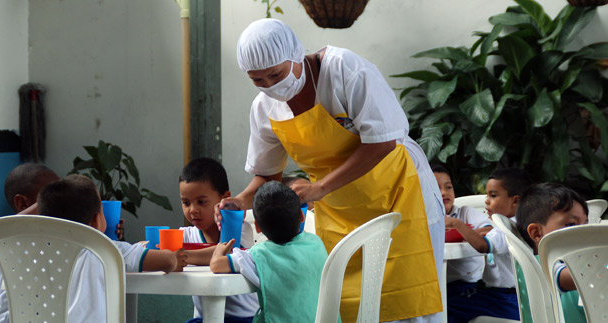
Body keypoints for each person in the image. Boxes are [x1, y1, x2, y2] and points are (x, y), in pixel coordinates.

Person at [217, 18, 445, 322]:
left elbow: (382, 142)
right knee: (347, 307)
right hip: (340, 215)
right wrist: (241, 201)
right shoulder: (264, 109)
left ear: (296, 53)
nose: (271, 85)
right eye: (259, 80)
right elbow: (267, 175)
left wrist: (321, 187)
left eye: (276, 74)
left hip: (401, 197)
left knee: (413, 304)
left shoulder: (344, 70)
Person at [0, 174, 187, 323]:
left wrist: (50, 201)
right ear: (95, 221)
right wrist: (175, 258)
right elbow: (168, 261)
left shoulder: (9, 249)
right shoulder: (104, 249)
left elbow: (3, 227)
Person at [211, 181, 328, 322]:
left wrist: (219, 250)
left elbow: (217, 264)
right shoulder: (316, 243)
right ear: (302, 217)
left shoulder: (259, 256)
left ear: (257, 227)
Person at [445, 168, 532, 323]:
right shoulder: (520, 225)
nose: (486, 201)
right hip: (514, 298)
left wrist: (456, 223)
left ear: (515, 201)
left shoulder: (507, 228)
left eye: (493, 196)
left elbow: (483, 246)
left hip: (502, 299)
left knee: (446, 307)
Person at [178, 158, 258, 323]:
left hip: (246, 319)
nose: (192, 210)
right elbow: (151, 246)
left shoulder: (241, 228)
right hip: (206, 318)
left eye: (201, 202)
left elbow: (227, 253)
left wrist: (181, 256)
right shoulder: (185, 234)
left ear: (225, 198)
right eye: (186, 203)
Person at [515, 183, 588, 323]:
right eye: (571, 225)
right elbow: (580, 277)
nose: (583, 231)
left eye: (585, 224)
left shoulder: (567, 262)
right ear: (537, 233)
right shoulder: (538, 264)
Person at [4, 163, 125, 238]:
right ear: (22, 203)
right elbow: (8, 227)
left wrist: (99, 230)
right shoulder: (6, 237)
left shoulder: (68, 237)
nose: (59, 196)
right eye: (48, 192)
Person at [432, 164, 492, 305]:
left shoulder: (464, 213)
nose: (443, 193)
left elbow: (489, 230)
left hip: (469, 284)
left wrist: (462, 232)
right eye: (436, 188)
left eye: (448, 187)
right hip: (437, 288)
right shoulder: (424, 219)